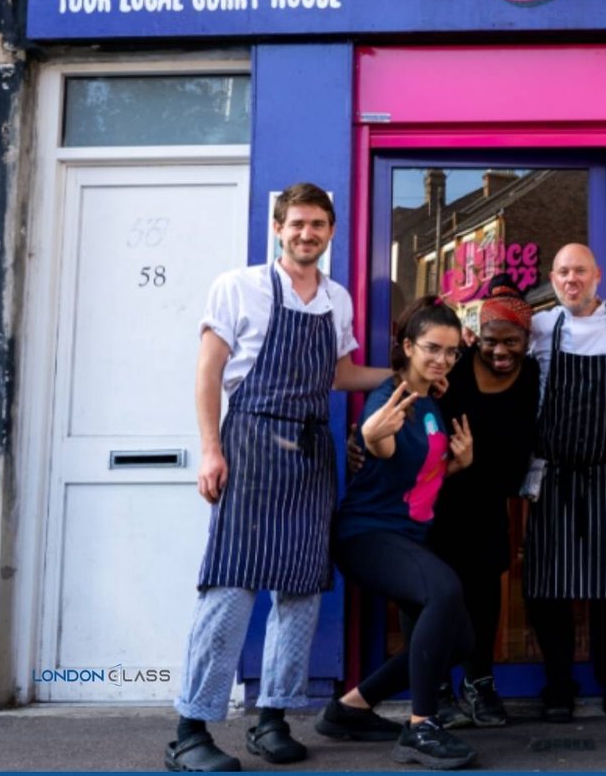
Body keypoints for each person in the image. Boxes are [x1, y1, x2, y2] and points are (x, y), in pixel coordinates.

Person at [167, 183, 393, 773]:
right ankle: (190, 730)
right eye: (296, 223)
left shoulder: (337, 300)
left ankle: (273, 719)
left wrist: (405, 372)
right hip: (250, 442)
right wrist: (210, 450)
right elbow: (208, 374)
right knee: (232, 587)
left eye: (318, 224)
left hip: (312, 449)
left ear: (331, 232)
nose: (306, 233)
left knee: (300, 591)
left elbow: (340, 375)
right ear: (277, 227)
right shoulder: (237, 287)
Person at [318, 297, 479, 769]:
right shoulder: (389, 399)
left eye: (451, 352)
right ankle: (420, 728)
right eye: (432, 348)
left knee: (460, 642)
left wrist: (455, 465)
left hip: (407, 536)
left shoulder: (430, 398)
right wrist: (369, 436)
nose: (442, 359)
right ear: (408, 346)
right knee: (445, 591)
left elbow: (415, 473)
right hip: (367, 535)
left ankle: (349, 710)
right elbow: (380, 442)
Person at [524, 243, 606, 724]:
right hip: (553, 471)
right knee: (548, 587)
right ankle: (557, 685)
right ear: (552, 277)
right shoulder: (540, 326)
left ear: (598, 275)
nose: (570, 280)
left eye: (579, 270)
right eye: (562, 272)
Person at [423, 275, 541, 727]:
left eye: (512, 342)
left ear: (527, 340)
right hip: (441, 498)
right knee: (438, 596)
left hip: (491, 501)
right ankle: (435, 688)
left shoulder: (531, 374)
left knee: (483, 598)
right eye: (492, 340)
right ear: (478, 336)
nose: (501, 351)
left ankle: (479, 683)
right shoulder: (452, 370)